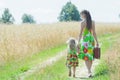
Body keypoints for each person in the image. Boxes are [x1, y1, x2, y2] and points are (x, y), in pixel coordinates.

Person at [78, 10, 99, 77]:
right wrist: (97, 42)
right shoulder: (92, 22)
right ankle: (89, 71)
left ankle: (89, 71)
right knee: (91, 56)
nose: (80, 16)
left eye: (81, 14)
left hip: (85, 41)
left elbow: (80, 33)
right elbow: (94, 33)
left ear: (84, 15)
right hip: (91, 40)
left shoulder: (82, 23)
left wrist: (78, 42)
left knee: (86, 57)